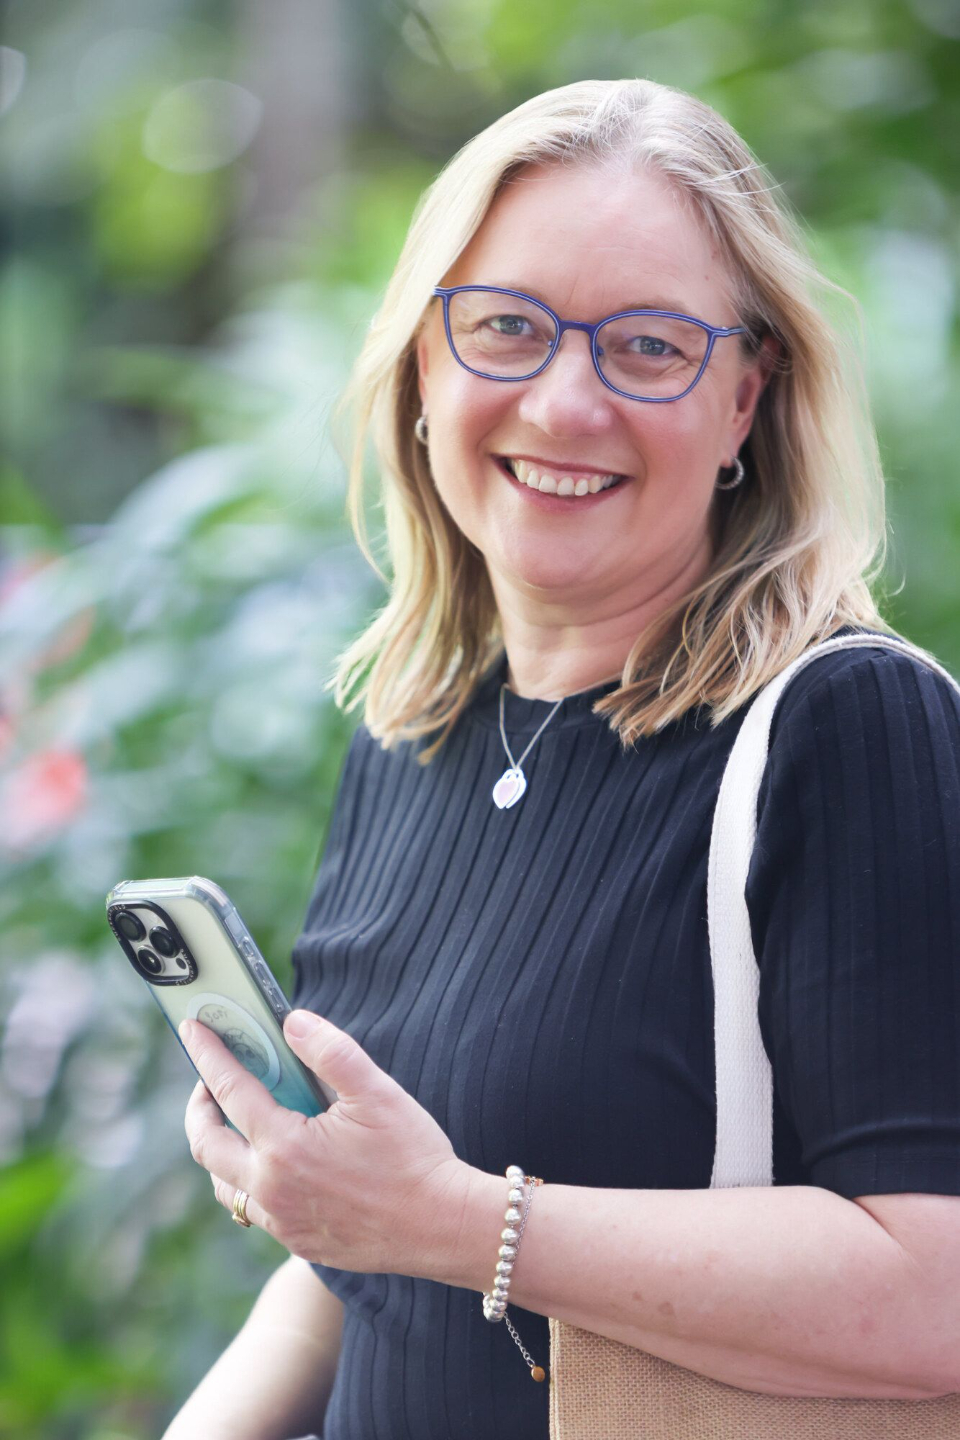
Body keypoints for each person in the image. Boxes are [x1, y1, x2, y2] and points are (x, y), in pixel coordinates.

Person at [163, 77, 960, 1440]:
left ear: (746, 398)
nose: (566, 401)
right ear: (424, 367)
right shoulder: (415, 729)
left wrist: (463, 1221)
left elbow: (934, 1289)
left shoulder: (846, 728)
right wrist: (350, 1207)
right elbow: (361, 1282)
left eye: (649, 346)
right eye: (507, 328)